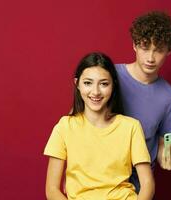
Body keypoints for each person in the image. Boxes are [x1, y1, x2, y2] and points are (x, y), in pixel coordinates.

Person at [44, 52, 155, 200]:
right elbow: (52, 189)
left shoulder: (131, 127)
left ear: (113, 85)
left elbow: (147, 184)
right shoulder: (65, 127)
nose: (95, 92)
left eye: (104, 84)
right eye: (88, 83)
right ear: (77, 84)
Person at [115, 11, 171, 192]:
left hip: (138, 187)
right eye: (145, 48)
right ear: (134, 45)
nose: (150, 58)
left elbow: (163, 147)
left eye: (159, 50)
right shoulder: (110, 76)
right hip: (101, 180)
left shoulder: (169, 97)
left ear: (169, 50)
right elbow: (77, 122)